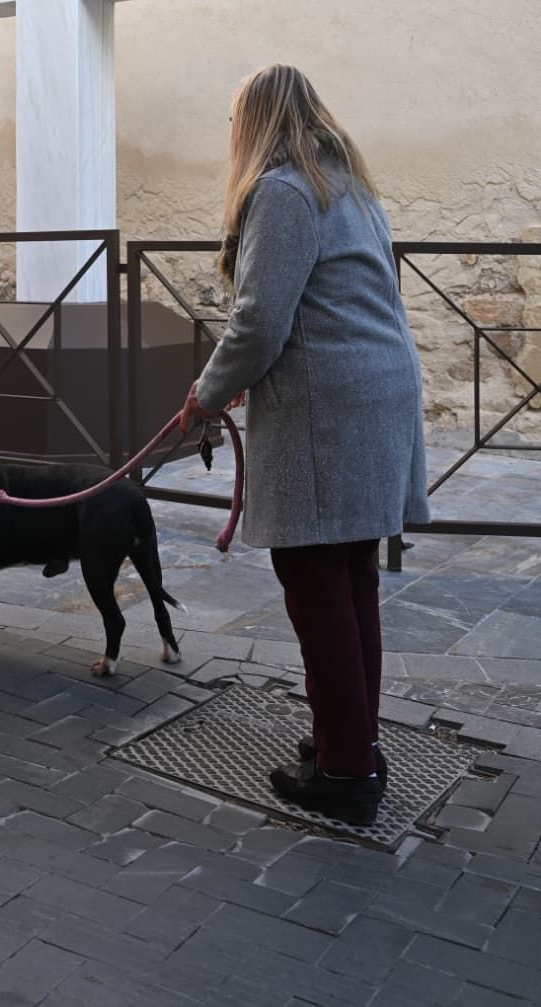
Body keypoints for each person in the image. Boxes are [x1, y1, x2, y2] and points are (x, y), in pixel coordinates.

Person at [178, 65, 429, 826]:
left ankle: (347, 772)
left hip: (331, 409)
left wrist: (206, 393)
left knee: (316, 580)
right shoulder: (348, 183)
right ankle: (348, 742)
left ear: (254, 122)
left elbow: (259, 320)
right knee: (349, 578)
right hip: (374, 394)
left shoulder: (283, 191)